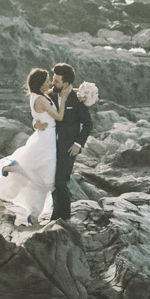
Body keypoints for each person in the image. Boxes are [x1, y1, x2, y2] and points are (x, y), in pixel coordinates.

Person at [0, 68, 63, 225]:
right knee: (47, 180)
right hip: (47, 139)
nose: (50, 83)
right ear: (40, 84)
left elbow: (51, 94)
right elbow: (59, 117)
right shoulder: (42, 99)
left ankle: (34, 215)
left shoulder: (38, 95)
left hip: (44, 136)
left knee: (42, 180)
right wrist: (66, 100)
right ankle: (16, 168)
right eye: (47, 81)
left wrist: (77, 90)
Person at [49, 62, 94, 220]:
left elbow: (88, 124)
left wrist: (78, 144)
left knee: (61, 182)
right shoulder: (51, 96)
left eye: (56, 81)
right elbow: (39, 115)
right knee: (53, 182)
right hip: (49, 145)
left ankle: (65, 218)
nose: (52, 83)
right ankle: (56, 217)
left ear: (66, 83)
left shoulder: (77, 99)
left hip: (69, 147)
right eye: (53, 79)